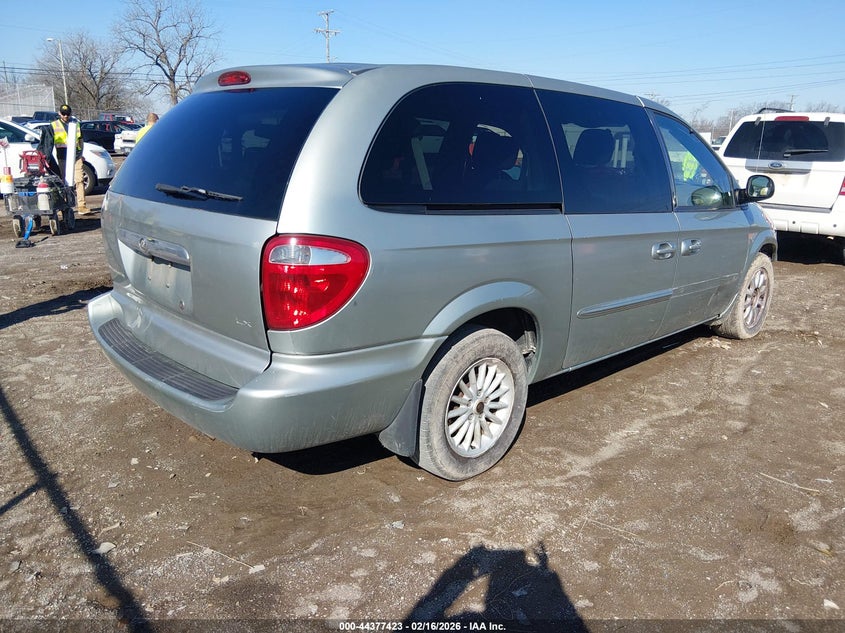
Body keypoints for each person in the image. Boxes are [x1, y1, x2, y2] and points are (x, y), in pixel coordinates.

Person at [37, 103, 90, 215]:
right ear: (59, 113)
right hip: (62, 156)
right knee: (63, 181)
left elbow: (80, 140)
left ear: (71, 114)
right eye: (64, 114)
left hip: (76, 156)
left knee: (79, 180)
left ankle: (81, 205)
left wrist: (80, 154)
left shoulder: (76, 125)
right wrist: (46, 156)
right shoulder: (54, 125)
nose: (66, 116)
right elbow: (48, 143)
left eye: (68, 114)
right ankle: (63, 206)